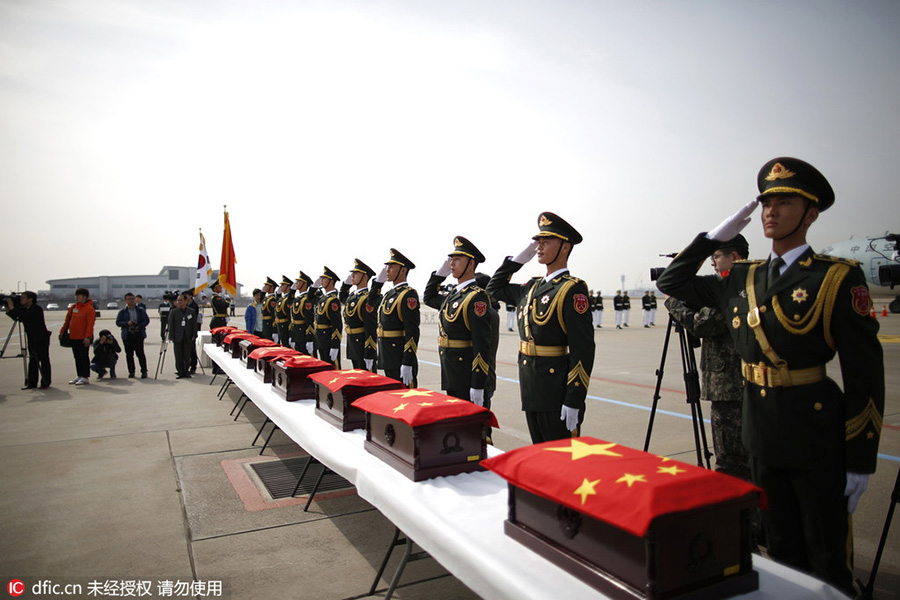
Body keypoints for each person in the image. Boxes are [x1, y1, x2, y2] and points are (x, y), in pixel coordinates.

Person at [656, 157, 884, 596]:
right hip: (759, 430)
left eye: (784, 201)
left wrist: (861, 457)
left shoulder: (835, 278)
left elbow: (865, 376)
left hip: (813, 432)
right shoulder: (742, 277)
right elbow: (673, 280)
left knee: (826, 556)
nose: (770, 211)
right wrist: (711, 238)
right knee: (780, 551)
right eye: (765, 202)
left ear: (811, 213)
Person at [487, 212, 595, 444]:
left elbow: (583, 350)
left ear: (565, 247)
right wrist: (516, 262)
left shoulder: (571, 289)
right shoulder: (532, 286)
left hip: (556, 389)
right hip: (531, 384)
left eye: (546, 242)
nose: (539, 247)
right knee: (541, 457)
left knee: (561, 460)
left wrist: (574, 398)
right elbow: (493, 289)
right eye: (538, 242)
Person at [663, 235, 751, 481]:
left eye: (716, 257)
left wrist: (674, 304)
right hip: (735, 384)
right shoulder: (747, 284)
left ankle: (744, 515)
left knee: (731, 463)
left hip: (730, 388)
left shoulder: (732, 289)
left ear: (734, 257)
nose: (713, 263)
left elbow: (703, 324)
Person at [424, 236, 498, 410]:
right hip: (452, 374)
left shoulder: (476, 297)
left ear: (470, 263)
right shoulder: (453, 296)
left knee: (477, 432)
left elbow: (482, 344)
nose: (452, 263)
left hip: (467, 376)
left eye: (457, 259)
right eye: (451, 259)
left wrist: (478, 383)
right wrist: (440, 274)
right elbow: (428, 297)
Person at [367, 248, 420, 387]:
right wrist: (378, 282)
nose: (387, 270)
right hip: (388, 356)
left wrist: (407, 362)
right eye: (387, 266)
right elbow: (371, 300)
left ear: (403, 270)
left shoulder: (408, 295)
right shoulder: (390, 294)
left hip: (399, 357)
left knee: (407, 397)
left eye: (392, 266)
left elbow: (412, 331)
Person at [4, 291, 51, 389]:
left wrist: (13, 307)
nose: (21, 299)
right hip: (32, 338)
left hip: (41, 338)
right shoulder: (26, 309)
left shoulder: (36, 309)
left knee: (43, 359)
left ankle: (46, 382)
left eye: (24, 298)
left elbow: (24, 316)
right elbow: (19, 318)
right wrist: (9, 310)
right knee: (33, 360)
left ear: (30, 299)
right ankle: (32, 383)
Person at [340, 259, 378, 371]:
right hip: (353, 344)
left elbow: (371, 328)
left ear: (365, 277)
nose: (352, 275)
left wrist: (369, 353)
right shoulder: (353, 296)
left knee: (369, 381)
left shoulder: (367, 299)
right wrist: (345, 284)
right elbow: (342, 297)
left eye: (356, 273)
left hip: (362, 345)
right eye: (352, 273)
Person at [60, 287, 96, 386]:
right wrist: (62, 331)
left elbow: (90, 324)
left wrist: (87, 337)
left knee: (83, 357)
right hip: (73, 337)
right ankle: (79, 375)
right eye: (76, 296)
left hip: (83, 337)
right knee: (77, 357)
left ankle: (85, 376)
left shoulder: (89, 309)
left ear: (84, 297)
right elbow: (67, 321)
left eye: (78, 296)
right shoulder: (73, 307)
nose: (76, 298)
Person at [115, 292, 150, 378]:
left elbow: (146, 320)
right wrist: (127, 323)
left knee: (140, 353)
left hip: (138, 334)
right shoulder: (122, 311)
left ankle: (144, 371)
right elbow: (118, 322)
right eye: (129, 299)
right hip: (128, 335)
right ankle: (131, 371)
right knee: (129, 355)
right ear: (126, 301)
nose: (131, 301)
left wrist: (140, 325)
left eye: (132, 299)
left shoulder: (140, 310)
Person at [313, 267, 342, 367]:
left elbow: (337, 325)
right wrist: (313, 287)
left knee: (333, 370)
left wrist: (335, 346)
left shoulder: (333, 301)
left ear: (331, 281)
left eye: (324, 279)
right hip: (321, 340)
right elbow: (310, 297)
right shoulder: (323, 299)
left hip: (328, 341)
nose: (321, 281)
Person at [168, 293, 198, 379]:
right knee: (178, 355)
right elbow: (171, 325)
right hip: (177, 336)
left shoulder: (191, 311)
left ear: (185, 301)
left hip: (188, 336)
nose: (179, 302)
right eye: (178, 300)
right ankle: (180, 371)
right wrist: (171, 336)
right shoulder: (174, 312)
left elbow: (193, 325)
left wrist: (194, 335)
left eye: (181, 300)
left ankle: (186, 371)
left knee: (187, 355)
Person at [290, 272, 316, 354]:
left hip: (304, 336)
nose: (296, 284)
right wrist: (292, 336)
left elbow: (309, 320)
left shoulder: (306, 300)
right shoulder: (297, 299)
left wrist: (309, 339)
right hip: (297, 335)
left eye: (299, 282)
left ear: (305, 284)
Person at [275, 275, 294, 345]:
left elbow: (290, 318)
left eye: (283, 285)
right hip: (280, 329)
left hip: (286, 329)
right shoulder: (282, 299)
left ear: (288, 287)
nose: (281, 287)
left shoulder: (288, 301)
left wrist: (291, 335)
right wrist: (277, 294)